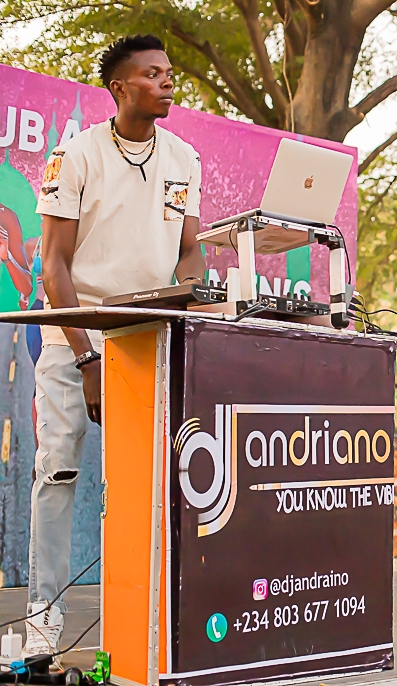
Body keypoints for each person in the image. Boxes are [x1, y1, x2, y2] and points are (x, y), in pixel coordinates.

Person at [24, 34, 206, 656]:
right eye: (152, 73)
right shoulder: (74, 155)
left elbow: (189, 250)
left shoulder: (184, 158)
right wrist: (86, 359)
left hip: (145, 337)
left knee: (145, 478)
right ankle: (43, 617)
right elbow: (53, 266)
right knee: (58, 469)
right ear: (120, 87)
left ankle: (141, 617)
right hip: (74, 334)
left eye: (169, 72)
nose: (167, 81)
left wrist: (189, 295)